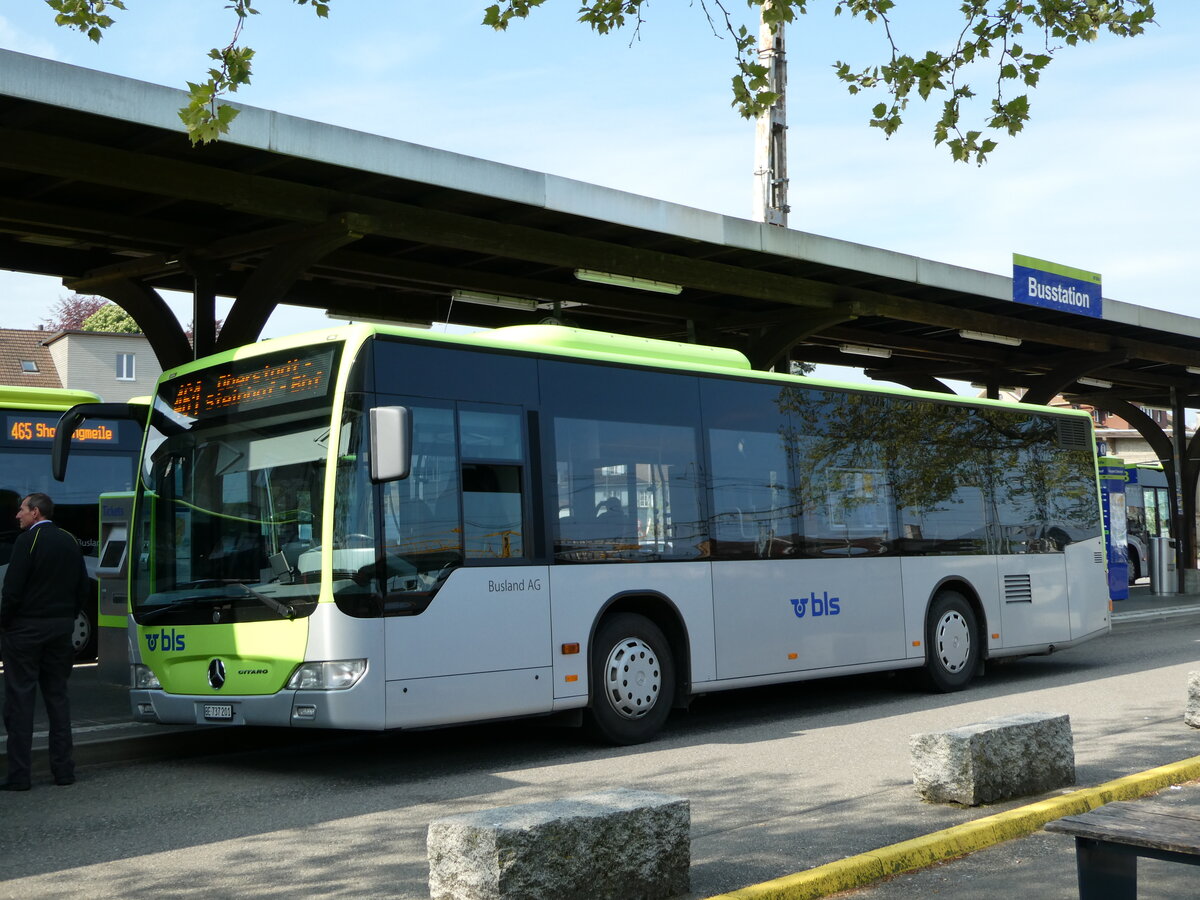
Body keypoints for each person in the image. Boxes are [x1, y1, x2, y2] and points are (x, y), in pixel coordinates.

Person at [0, 492, 88, 791]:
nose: (17, 516)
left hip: (26, 631)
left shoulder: (27, 542)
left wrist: (6, 623)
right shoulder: (69, 540)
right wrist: (67, 617)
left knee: (20, 702)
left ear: (36, 512)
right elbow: (82, 587)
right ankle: (63, 771)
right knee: (57, 699)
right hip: (60, 630)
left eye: (22, 510)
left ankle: (19, 776)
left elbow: (12, 590)